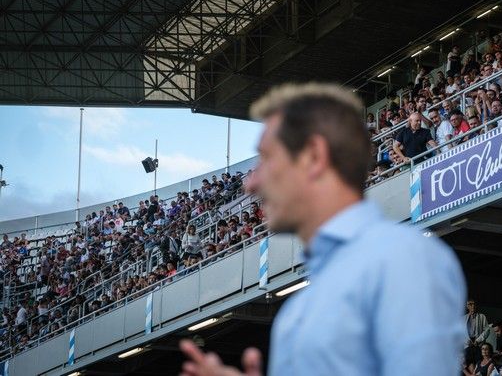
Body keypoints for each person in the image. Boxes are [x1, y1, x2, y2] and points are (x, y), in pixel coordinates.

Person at [179, 82, 466, 376]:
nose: (251, 184)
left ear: (314, 157)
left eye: (268, 158)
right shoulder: (296, 312)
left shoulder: (401, 258)